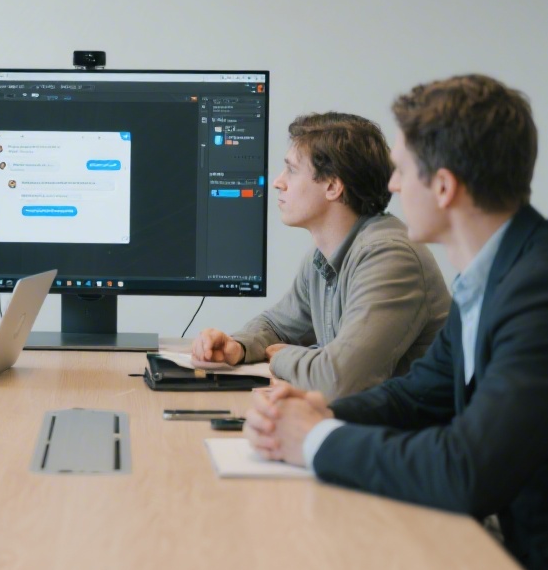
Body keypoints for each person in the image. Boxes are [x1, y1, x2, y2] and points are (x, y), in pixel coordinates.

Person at [244, 75, 548, 570]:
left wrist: (315, 441)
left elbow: (466, 472)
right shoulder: (498, 270)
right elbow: (419, 396)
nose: (392, 187)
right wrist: (324, 409)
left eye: (402, 171)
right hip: (531, 536)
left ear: (444, 187)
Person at [191, 112, 449, 400]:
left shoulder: (390, 257)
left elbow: (339, 379)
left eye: (291, 170)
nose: (278, 182)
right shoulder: (323, 256)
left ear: (332, 186)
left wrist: (284, 357)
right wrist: (237, 346)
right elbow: (278, 326)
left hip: (405, 438)